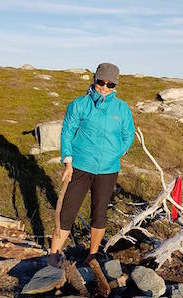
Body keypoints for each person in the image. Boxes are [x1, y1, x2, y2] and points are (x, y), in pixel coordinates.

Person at [49, 63, 135, 267]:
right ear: (94, 79)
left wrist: (117, 152)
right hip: (80, 166)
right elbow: (67, 132)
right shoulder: (79, 104)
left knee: (99, 213)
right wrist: (68, 161)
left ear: (116, 85)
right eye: (100, 82)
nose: (104, 87)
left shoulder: (122, 108)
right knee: (66, 212)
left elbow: (128, 134)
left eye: (110, 84)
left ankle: (92, 256)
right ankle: (52, 258)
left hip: (108, 170)